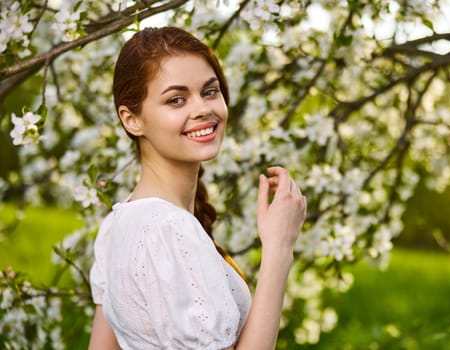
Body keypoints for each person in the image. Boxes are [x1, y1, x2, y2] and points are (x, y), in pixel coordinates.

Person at [88, 26, 307, 350]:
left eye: (209, 91)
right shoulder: (169, 231)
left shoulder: (118, 225)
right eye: (176, 99)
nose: (202, 108)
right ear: (131, 119)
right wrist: (278, 249)